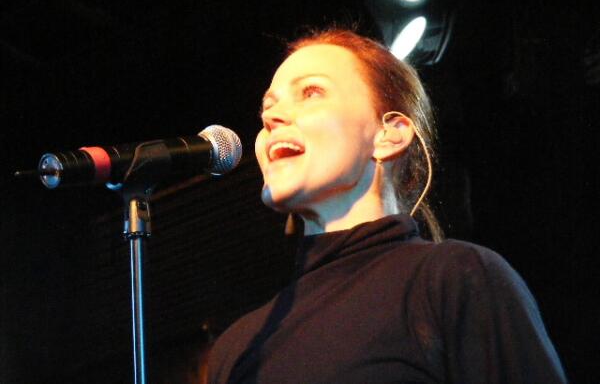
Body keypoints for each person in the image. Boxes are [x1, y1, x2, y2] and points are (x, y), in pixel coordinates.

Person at [207, 29, 567, 383]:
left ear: (389, 134)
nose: (271, 118)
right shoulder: (236, 347)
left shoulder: (455, 278)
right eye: (268, 107)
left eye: (312, 92)